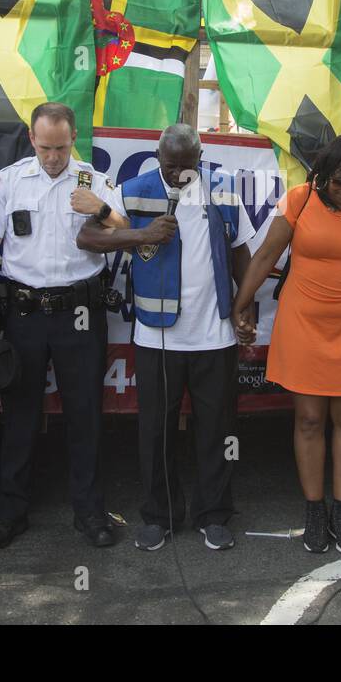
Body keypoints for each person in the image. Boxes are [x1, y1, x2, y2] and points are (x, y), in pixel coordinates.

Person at [78, 124, 253, 552]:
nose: (177, 174)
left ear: (200, 156)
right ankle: (160, 515)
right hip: (157, 336)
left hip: (215, 334)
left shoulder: (224, 189)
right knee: (155, 432)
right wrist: (140, 234)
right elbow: (88, 236)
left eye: (186, 165)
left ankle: (214, 514)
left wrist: (245, 305)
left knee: (217, 430)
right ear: (157, 155)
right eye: (169, 165)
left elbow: (241, 251)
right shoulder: (134, 190)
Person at [231, 133, 341, 555]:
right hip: (304, 321)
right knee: (309, 419)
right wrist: (241, 307)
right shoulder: (299, 200)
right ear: (324, 173)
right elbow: (263, 258)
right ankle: (314, 510)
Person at [0, 103, 132, 549]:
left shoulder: (93, 181)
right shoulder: (12, 179)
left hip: (80, 312)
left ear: (73, 136)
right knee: (19, 414)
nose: (54, 156)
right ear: (31, 137)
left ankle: (90, 510)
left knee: (85, 414)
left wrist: (102, 211)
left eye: (61, 147)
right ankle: (10, 510)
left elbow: (126, 232)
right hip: (24, 312)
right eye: (45, 147)